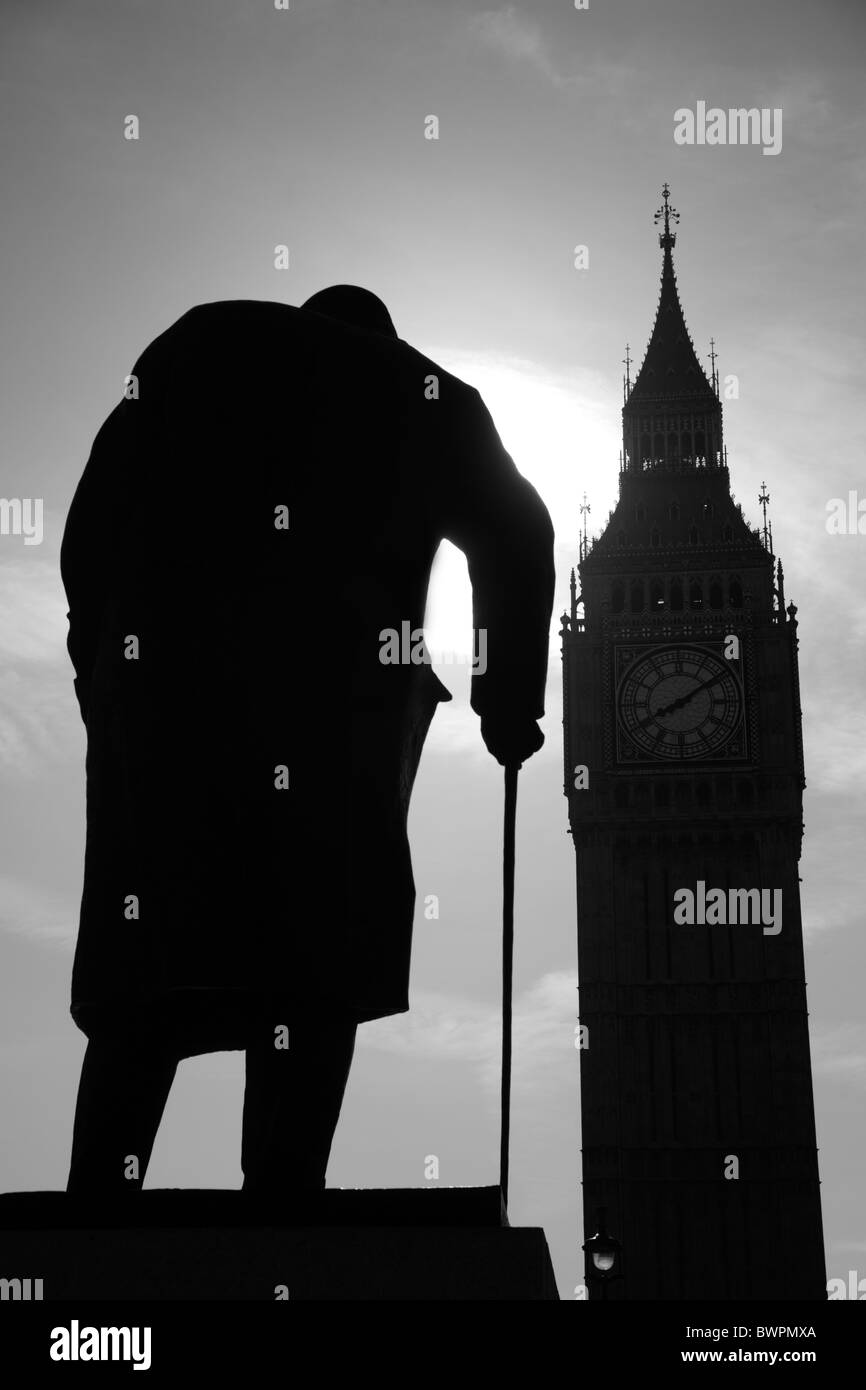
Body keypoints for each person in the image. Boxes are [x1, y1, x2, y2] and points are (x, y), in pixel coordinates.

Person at [61, 285, 555, 1199]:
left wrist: (97, 663)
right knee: (314, 970)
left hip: (169, 718)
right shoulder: (424, 394)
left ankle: (96, 1204)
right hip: (333, 734)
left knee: (148, 971)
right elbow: (520, 531)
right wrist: (507, 699)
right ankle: (283, 1209)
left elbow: (89, 522)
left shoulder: (195, 340)